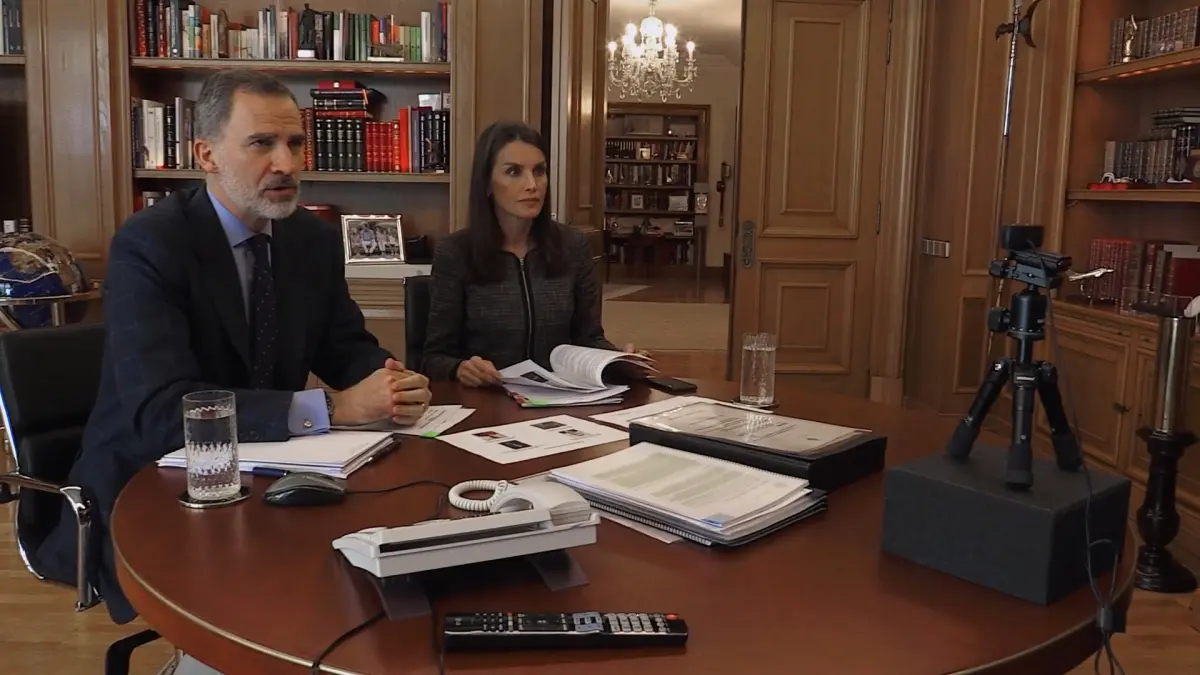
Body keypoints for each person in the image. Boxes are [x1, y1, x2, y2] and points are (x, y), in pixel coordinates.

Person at [35, 70, 431, 674]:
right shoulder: (151, 244)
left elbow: (344, 346)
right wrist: (333, 408)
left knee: (373, 576)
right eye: (261, 144)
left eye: (295, 144)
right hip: (149, 488)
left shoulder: (310, 240)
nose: (286, 164)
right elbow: (162, 412)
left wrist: (391, 380)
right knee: (283, 601)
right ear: (206, 155)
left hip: (268, 476)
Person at [421, 121, 650, 386]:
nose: (532, 184)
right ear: (487, 183)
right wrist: (460, 369)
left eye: (539, 171)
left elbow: (589, 339)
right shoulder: (455, 253)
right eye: (514, 172)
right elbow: (433, 359)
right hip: (488, 399)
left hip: (561, 397)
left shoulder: (573, 246)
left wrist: (620, 361)